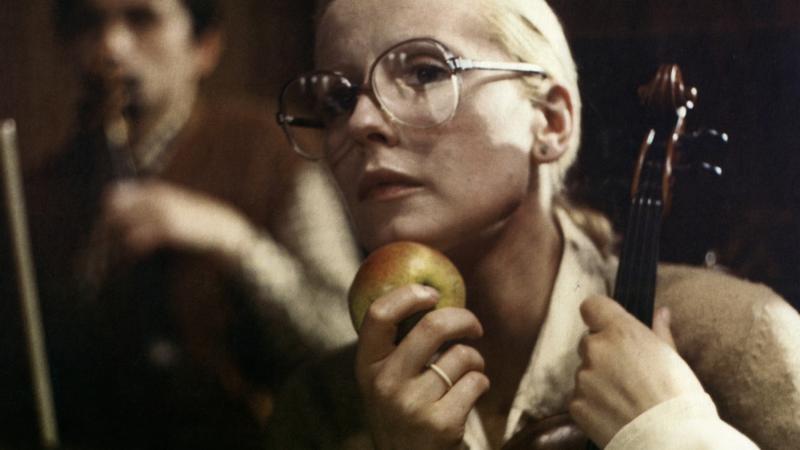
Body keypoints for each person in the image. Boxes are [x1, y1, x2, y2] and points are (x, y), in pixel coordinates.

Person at [265, 0, 800, 448]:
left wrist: (669, 433)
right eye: (338, 100)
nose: (359, 122)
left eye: (426, 72)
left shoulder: (735, 337)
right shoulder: (319, 408)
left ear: (551, 122)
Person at [0, 0, 359, 448]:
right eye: (88, 23)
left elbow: (344, 337)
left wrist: (232, 240)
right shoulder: (37, 194)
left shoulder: (270, 156)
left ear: (204, 46)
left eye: (141, 18)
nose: (110, 47)